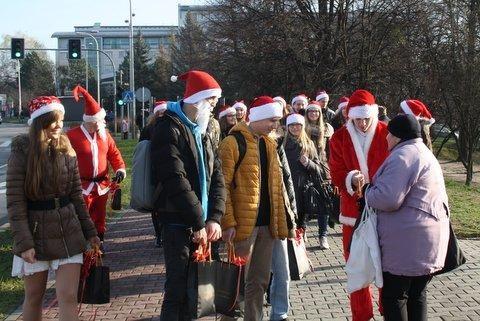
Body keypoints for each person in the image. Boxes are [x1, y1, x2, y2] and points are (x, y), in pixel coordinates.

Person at [7, 96, 100, 321]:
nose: (60, 125)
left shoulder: (66, 149)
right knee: (34, 296)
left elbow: (77, 196)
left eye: (61, 120)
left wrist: (91, 233)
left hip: (68, 231)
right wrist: (25, 242)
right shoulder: (22, 153)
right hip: (35, 232)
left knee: (68, 296)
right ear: (41, 121)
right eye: (54, 120)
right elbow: (15, 203)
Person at [152, 70, 226, 321]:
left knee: (198, 290)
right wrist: (197, 222)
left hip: (202, 223)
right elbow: (175, 180)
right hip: (176, 222)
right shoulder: (168, 128)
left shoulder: (201, 130)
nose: (214, 108)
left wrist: (214, 217)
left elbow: (217, 175)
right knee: (177, 289)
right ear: (198, 100)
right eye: (212, 102)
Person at [364, 114, 449, 321]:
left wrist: (367, 192)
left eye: (389, 134)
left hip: (407, 243)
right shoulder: (424, 152)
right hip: (428, 240)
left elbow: (388, 198)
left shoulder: (403, 156)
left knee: (395, 297)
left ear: (398, 136)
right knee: (417, 294)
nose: (386, 139)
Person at [218, 96, 289, 321]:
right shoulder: (232, 143)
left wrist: (283, 221)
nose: (275, 125)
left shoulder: (270, 143)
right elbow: (222, 187)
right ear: (257, 117)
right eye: (271, 120)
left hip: (267, 226)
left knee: (259, 282)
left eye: (277, 120)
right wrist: (227, 222)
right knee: (236, 283)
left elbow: (277, 187)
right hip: (242, 227)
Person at [328, 89, 389, 321]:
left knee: (386, 264)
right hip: (352, 213)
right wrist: (350, 178)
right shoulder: (339, 137)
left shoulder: (386, 133)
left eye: (367, 118)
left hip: (383, 210)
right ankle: (361, 315)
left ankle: (388, 308)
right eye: (358, 118)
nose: (363, 123)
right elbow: (335, 172)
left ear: (374, 115)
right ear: (350, 116)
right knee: (356, 267)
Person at [67, 85, 126, 252]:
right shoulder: (72, 136)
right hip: (81, 186)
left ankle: (99, 246)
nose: (100, 124)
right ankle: (83, 247)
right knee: (83, 217)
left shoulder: (104, 135)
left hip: (102, 186)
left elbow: (114, 155)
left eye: (101, 121)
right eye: (97, 121)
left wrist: (120, 170)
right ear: (89, 120)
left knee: (100, 218)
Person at [303, 101, 333, 248]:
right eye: (311, 112)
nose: (313, 114)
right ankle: (302, 231)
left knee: (324, 203)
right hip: (305, 167)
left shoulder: (326, 129)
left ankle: (323, 236)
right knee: (305, 201)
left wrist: (329, 170)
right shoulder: (301, 129)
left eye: (316, 112)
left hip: (322, 169)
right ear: (307, 114)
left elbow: (330, 151)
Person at [139, 100, 167, 248]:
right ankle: (158, 234)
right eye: (159, 112)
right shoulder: (148, 129)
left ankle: (165, 232)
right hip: (154, 171)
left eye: (164, 111)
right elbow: (141, 150)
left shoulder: (172, 126)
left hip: (169, 171)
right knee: (156, 206)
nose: (162, 114)